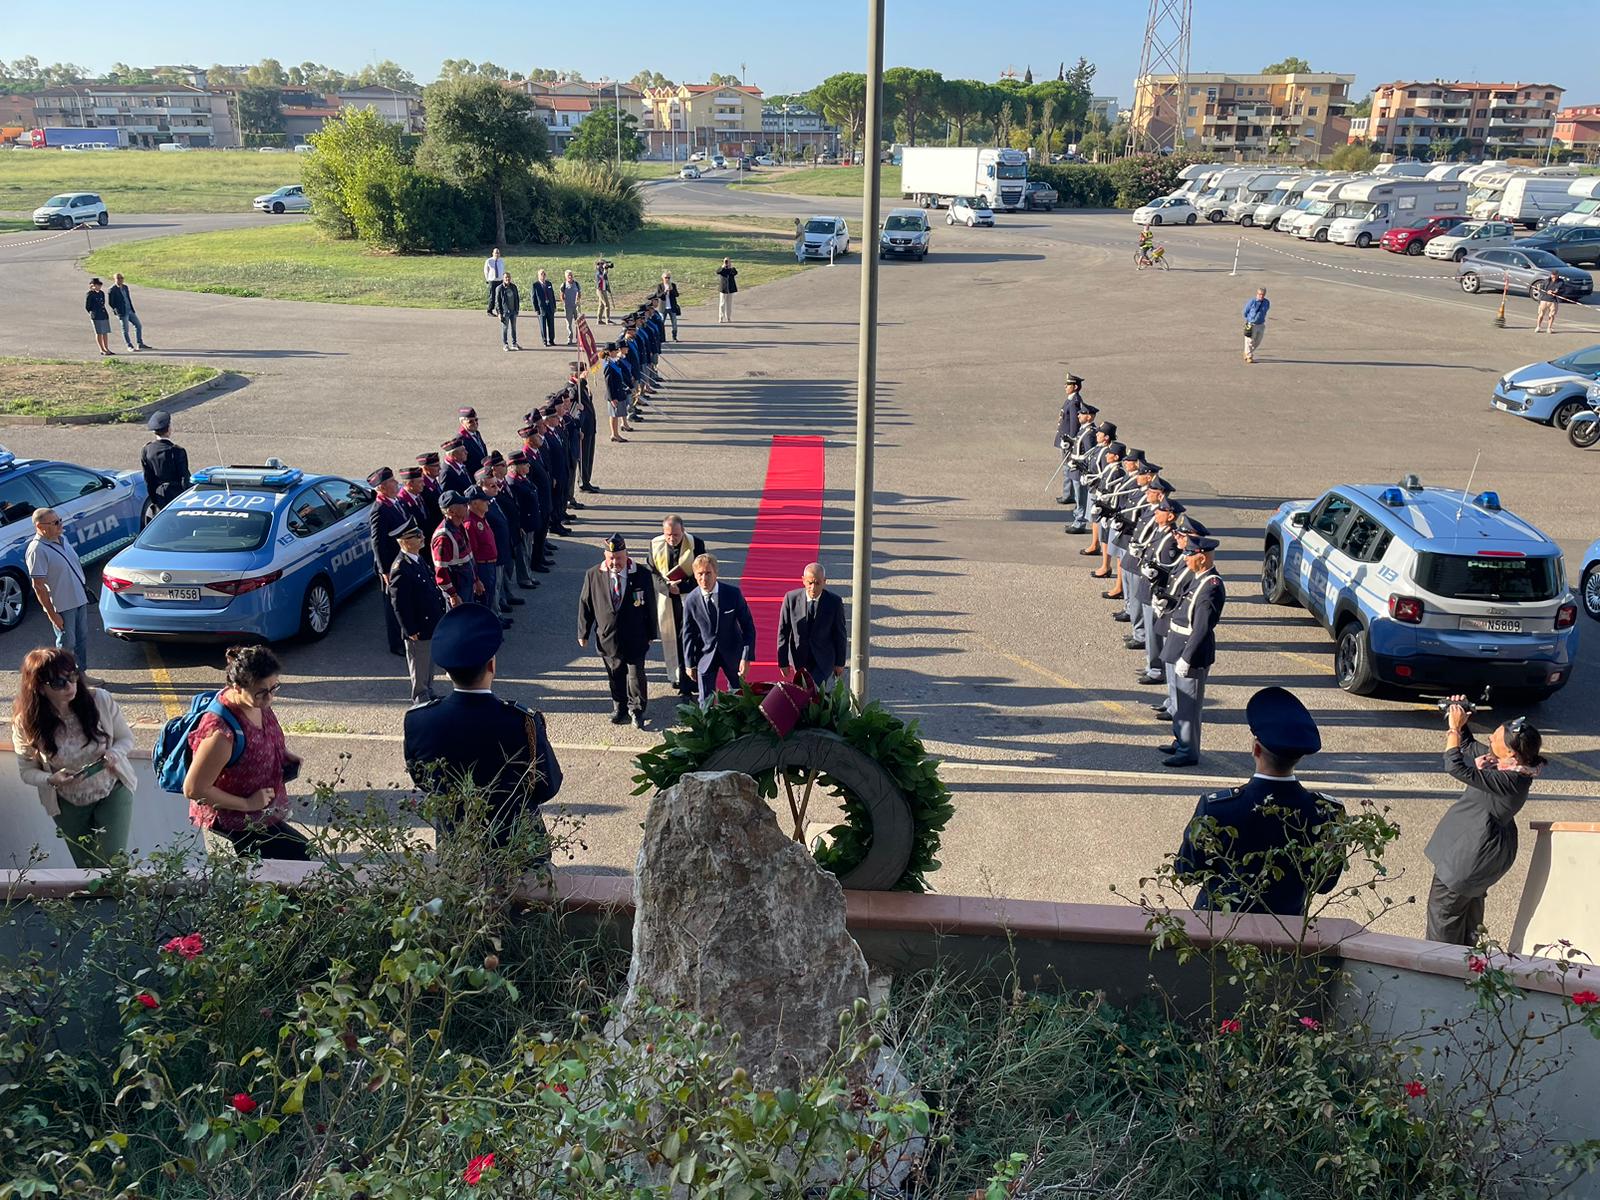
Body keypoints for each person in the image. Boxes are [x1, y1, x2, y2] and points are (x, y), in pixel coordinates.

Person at [404, 604, 561, 857]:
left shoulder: (419, 720)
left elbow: (423, 779)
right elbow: (547, 786)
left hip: (458, 848)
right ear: (492, 665)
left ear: (446, 671)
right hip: (519, 849)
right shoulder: (521, 722)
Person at [1174, 686, 1346, 916]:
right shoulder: (1328, 812)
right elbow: (1325, 883)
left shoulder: (1217, 808)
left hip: (1219, 927)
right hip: (1287, 929)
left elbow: (1186, 872)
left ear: (1256, 748)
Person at [1423, 699, 1546, 946]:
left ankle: (1439, 965)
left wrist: (1454, 729)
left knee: (1443, 918)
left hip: (1468, 859)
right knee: (1468, 919)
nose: (1490, 738)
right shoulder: (1507, 764)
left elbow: (1455, 767)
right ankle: (1468, 963)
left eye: (1496, 738)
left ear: (1511, 752)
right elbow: (1468, 747)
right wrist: (1461, 718)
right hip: (1478, 856)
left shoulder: (1511, 781)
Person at [11, 648, 136, 868]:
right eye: (59, 683)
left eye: (73, 676)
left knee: (114, 864)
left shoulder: (99, 700)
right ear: (39, 688)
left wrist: (114, 754)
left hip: (111, 790)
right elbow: (27, 771)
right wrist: (51, 779)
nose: (70, 686)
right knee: (87, 868)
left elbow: (125, 738)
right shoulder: (26, 722)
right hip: (67, 804)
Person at [183, 645, 309, 860]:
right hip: (239, 819)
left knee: (277, 866)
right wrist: (248, 804)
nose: (269, 698)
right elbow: (194, 789)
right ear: (237, 687)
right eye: (261, 692)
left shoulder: (257, 702)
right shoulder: (220, 734)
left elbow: (261, 737)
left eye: (274, 688)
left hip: (260, 809)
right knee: (298, 857)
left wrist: (283, 753)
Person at [577, 534, 658, 728]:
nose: (615, 562)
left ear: (626, 554)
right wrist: (583, 632)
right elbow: (585, 604)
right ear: (605, 556)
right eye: (611, 558)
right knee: (615, 674)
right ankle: (619, 707)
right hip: (608, 636)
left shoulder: (641, 574)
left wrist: (651, 633)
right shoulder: (593, 575)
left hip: (635, 636)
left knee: (636, 675)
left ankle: (637, 710)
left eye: (619, 558)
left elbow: (650, 606)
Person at [1160, 535, 1225, 768]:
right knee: (1179, 702)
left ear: (1202, 558)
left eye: (1190, 555)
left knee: (1189, 706)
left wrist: (1187, 658)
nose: (1186, 558)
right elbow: (1182, 604)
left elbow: (1202, 628)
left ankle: (1188, 751)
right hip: (1177, 643)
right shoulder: (1197, 578)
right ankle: (1180, 741)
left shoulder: (1211, 586)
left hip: (1191, 650)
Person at [681, 553, 757, 707]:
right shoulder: (691, 600)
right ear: (694, 575)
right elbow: (688, 633)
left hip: (733, 654)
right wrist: (689, 663)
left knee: (738, 698)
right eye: (700, 574)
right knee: (705, 701)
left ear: (716, 573)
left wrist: (746, 657)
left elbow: (748, 626)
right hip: (705, 655)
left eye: (708, 573)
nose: (704, 578)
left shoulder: (732, 594)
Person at [27, 508, 95, 677]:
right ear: (40, 527)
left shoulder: (62, 539)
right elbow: (39, 586)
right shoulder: (37, 550)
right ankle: (65, 679)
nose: (60, 525)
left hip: (79, 599)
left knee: (81, 639)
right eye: (55, 523)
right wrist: (52, 614)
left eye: (60, 520)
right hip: (62, 605)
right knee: (67, 644)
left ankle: (81, 677)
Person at [388, 519, 444, 706]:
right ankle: (421, 699)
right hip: (418, 627)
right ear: (405, 541)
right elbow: (400, 604)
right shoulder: (400, 569)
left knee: (428, 662)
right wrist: (410, 629)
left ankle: (429, 692)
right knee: (419, 665)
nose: (422, 537)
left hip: (429, 622)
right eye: (417, 535)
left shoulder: (417, 559)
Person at [649, 515, 707, 697]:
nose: (672, 539)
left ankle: (694, 678)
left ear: (683, 530)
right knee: (673, 640)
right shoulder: (655, 544)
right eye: (668, 535)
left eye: (675, 535)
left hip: (690, 597)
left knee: (691, 638)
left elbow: (702, 572)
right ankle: (680, 679)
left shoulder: (696, 544)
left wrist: (681, 587)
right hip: (668, 600)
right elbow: (652, 573)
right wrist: (667, 588)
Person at [777, 562, 848, 688]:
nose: (813, 588)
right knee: (802, 690)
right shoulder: (791, 599)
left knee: (813, 688)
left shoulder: (834, 602)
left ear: (824, 582)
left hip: (824, 659)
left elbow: (840, 634)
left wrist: (840, 662)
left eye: (817, 583)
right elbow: (783, 632)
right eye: (810, 583)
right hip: (799, 658)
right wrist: (783, 662)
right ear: (803, 580)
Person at [367, 467, 410, 656]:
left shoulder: (394, 502)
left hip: (402, 559)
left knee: (404, 600)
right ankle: (396, 643)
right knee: (393, 605)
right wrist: (385, 570)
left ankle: (405, 634)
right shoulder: (379, 510)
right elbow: (377, 543)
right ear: (383, 487)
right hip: (391, 565)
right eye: (392, 481)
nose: (396, 483)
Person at [462, 486, 509, 628]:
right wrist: (476, 579)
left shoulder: (481, 518)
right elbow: (472, 554)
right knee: (484, 601)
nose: (488, 503)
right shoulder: (470, 524)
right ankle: (487, 629)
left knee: (490, 597)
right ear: (475, 503)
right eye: (484, 500)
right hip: (482, 567)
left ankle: (492, 623)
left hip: (490, 564)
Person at [140, 410, 190, 522]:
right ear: (169, 429)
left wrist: (154, 499)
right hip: (177, 494)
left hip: (159, 495)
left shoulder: (147, 450)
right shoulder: (177, 450)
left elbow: (148, 479)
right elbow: (184, 478)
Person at [430, 491, 478, 608]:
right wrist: (453, 595)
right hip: (458, 590)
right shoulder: (443, 537)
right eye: (463, 505)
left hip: (467, 584)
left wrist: (476, 579)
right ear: (451, 511)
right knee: (460, 618)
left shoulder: (460, 527)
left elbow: (469, 558)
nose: (467, 507)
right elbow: (441, 571)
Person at [1053, 375, 1085, 507]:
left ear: (1075, 387)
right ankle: (1069, 493)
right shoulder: (1071, 400)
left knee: (1067, 468)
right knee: (1067, 467)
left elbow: (1074, 424)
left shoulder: (1074, 403)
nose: (1065, 387)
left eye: (1068, 385)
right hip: (1064, 439)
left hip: (1068, 441)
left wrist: (1071, 441)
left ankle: (1068, 495)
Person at [570, 362, 600, 492]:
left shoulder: (582, 386)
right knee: (583, 457)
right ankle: (583, 482)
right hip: (581, 428)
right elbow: (572, 395)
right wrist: (581, 381)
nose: (586, 375)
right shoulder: (571, 387)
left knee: (588, 456)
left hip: (589, 426)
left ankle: (587, 480)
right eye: (582, 372)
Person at [107, 272, 149, 351]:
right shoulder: (112, 290)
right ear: (114, 279)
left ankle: (140, 343)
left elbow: (128, 298)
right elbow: (111, 303)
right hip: (122, 312)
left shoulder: (125, 287)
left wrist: (132, 309)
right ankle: (129, 345)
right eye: (118, 278)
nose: (120, 280)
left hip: (129, 310)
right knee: (125, 330)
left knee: (138, 325)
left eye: (121, 278)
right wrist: (117, 312)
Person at [85, 277, 114, 356]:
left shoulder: (101, 293)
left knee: (105, 332)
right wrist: (93, 313)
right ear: (93, 286)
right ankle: (102, 349)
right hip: (96, 315)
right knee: (99, 333)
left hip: (103, 314)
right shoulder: (90, 294)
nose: (99, 287)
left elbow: (103, 303)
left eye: (99, 285)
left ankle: (106, 348)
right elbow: (88, 306)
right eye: (97, 285)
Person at [529, 267, 558, 348]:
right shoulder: (535, 285)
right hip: (541, 308)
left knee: (551, 325)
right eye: (541, 274)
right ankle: (544, 341)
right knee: (543, 326)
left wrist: (554, 306)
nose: (543, 275)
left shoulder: (549, 284)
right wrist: (536, 309)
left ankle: (551, 340)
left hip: (550, 307)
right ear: (538, 276)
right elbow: (533, 298)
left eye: (544, 274)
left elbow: (552, 295)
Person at [457, 407, 488, 478]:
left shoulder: (476, 433)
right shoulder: (460, 439)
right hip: (473, 476)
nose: (475, 423)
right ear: (462, 422)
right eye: (470, 421)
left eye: (476, 420)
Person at [495, 271, 521, 350]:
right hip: (505, 312)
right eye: (506, 277)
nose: (507, 279)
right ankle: (505, 344)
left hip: (513, 311)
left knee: (514, 328)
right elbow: (497, 302)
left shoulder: (513, 287)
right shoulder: (499, 288)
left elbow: (517, 299)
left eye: (509, 277)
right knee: (505, 328)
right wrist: (499, 313)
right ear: (503, 278)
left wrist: (517, 309)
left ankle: (514, 343)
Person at [1242, 287, 1270, 364]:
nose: (1261, 296)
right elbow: (1245, 312)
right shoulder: (1252, 301)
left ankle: (1246, 352)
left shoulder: (1266, 302)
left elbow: (1265, 311)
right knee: (1249, 341)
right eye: (1260, 294)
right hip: (1252, 324)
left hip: (1261, 324)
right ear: (1257, 294)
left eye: (1263, 294)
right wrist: (1249, 320)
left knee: (1258, 341)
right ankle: (1249, 356)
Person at [656, 271, 681, 341]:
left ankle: (674, 337)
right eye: (666, 277)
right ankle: (661, 337)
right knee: (661, 323)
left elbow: (677, 295)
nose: (667, 279)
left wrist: (671, 290)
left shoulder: (673, 285)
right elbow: (658, 295)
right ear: (662, 278)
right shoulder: (660, 286)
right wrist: (665, 291)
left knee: (674, 323)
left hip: (672, 307)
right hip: (663, 307)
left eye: (669, 278)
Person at [559, 269, 582, 344]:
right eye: (568, 275)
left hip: (576, 306)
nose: (570, 277)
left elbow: (579, 293)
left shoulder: (576, 284)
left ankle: (579, 338)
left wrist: (578, 300)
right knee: (569, 324)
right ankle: (570, 338)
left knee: (578, 323)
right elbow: (561, 296)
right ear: (566, 277)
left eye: (571, 275)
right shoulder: (563, 285)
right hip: (568, 307)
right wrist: (565, 303)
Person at [483, 247, 505, 314]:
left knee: (499, 296)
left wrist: (504, 279)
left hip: (500, 280)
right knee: (492, 296)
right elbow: (486, 271)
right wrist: (487, 279)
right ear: (493, 253)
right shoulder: (489, 261)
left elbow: (502, 270)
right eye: (496, 253)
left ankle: (499, 310)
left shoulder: (501, 261)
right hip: (492, 280)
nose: (497, 254)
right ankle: (489, 310)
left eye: (498, 253)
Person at [716, 257, 738, 323]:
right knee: (722, 304)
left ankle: (728, 317)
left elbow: (735, 273)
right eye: (726, 261)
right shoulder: (722, 269)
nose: (727, 263)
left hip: (730, 289)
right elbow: (717, 271)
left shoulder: (732, 269)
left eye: (728, 261)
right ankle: (721, 317)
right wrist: (723, 266)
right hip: (723, 289)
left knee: (729, 304)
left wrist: (730, 267)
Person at [594, 257, 614, 324]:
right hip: (600, 290)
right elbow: (603, 277)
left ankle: (599, 320)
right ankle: (607, 319)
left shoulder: (602, 270)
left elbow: (605, 279)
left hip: (604, 289)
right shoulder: (598, 272)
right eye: (602, 263)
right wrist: (605, 269)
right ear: (599, 264)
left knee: (601, 305)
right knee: (607, 304)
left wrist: (606, 268)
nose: (604, 265)